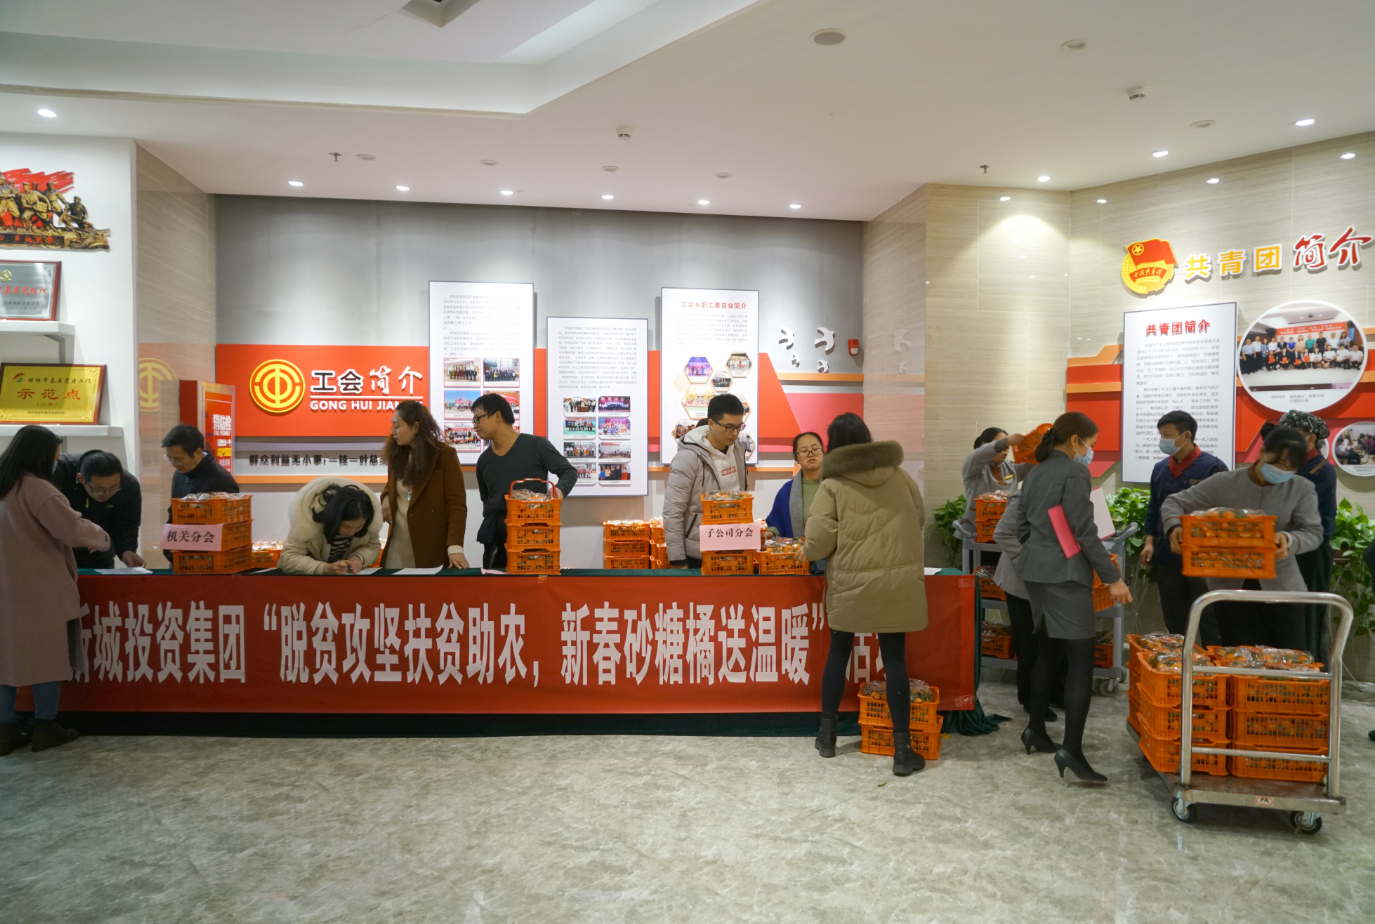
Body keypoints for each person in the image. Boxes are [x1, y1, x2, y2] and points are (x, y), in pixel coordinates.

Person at [800, 413, 927, 776]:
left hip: (851, 585)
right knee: (895, 660)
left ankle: (827, 738)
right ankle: (902, 751)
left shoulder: (832, 485)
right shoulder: (900, 476)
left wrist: (805, 552)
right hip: (897, 582)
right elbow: (919, 518)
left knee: (838, 654)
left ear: (833, 445)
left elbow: (819, 541)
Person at [1015, 411, 1131, 782]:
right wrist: (1113, 578)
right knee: (1081, 660)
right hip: (1065, 576)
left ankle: (1035, 729)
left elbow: (1022, 527)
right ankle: (1072, 750)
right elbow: (1083, 531)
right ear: (1076, 440)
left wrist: (1047, 547)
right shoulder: (1074, 473)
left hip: (1035, 571)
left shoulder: (1034, 473)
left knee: (1048, 651)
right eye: (1091, 444)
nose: (1091, 452)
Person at [0, 426, 111, 755]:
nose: (56, 461)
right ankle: (45, 726)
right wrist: (103, 538)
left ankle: (5, 730)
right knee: (47, 656)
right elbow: (69, 529)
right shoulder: (37, 489)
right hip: (39, 587)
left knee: (4, 659)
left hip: (5, 587)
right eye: (54, 455)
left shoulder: (3, 483)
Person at [1161, 426, 1322, 652]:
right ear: (1263, 452)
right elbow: (1174, 502)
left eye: (1290, 468)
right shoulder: (1224, 482)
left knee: (1289, 655)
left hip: (1281, 587)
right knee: (1237, 655)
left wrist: (1289, 540)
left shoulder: (1300, 488)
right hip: (1230, 587)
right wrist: (1174, 527)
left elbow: (1313, 532)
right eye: (1278, 464)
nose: (1282, 472)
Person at [1141, 410, 1228, 643]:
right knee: (1175, 619)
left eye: (1167, 435)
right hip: (1167, 555)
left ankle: (1212, 663)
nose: (1163, 440)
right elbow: (1154, 507)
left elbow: (1224, 513)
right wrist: (1149, 542)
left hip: (1202, 558)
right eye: (1161, 435)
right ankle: (1179, 661)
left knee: (1210, 618)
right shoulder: (1160, 468)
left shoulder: (1214, 467)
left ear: (1186, 435)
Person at [471, 393, 577, 570]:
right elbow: (486, 499)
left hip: (533, 540)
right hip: (497, 543)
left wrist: (559, 489)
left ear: (497, 416)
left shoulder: (536, 445)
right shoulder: (484, 460)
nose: (475, 425)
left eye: (478, 418)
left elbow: (568, 471)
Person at [992, 489, 1066, 719]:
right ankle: (1031, 699)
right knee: (1030, 643)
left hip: (1053, 579)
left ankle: (1054, 692)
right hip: (1022, 581)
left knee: (1055, 640)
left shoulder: (1069, 492)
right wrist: (1032, 561)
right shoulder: (1024, 495)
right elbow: (1003, 534)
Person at [1276, 411, 1338, 660]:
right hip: (1288, 551)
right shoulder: (1291, 467)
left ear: (1310, 440)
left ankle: (1314, 674)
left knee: (1309, 619)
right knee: (1287, 620)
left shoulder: (1319, 472)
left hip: (1311, 555)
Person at [664, 394, 750, 569]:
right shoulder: (688, 457)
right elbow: (673, 511)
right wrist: (678, 560)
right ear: (711, 423)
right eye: (728, 427)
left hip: (733, 546)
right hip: (699, 552)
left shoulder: (737, 450)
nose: (735, 433)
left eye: (738, 426)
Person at [381, 401, 468, 570]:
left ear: (415, 427)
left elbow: (456, 504)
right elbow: (394, 485)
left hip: (429, 545)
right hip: (398, 545)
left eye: (397, 427)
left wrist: (455, 546)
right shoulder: (396, 454)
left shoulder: (444, 455)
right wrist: (385, 496)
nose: (392, 432)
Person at [52, 449, 144, 569]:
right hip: (56, 554)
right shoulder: (58, 474)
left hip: (99, 554)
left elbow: (126, 524)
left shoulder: (129, 485)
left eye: (114, 487)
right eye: (99, 489)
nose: (106, 494)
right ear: (81, 479)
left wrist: (127, 550)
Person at [279, 476, 383, 576]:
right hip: (304, 582)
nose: (351, 532)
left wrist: (358, 558)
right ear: (335, 518)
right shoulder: (308, 519)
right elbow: (288, 558)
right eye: (346, 527)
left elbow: (373, 546)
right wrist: (325, 568)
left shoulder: (369, 518)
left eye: (359, 527)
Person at [764, 432, 824, 564]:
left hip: (830, 561)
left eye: (815, 449)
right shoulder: (787, 490)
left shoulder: (835, 486)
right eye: (804, 451)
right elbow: (777, 522)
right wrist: (770, 533)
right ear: (796, 458)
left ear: (823, 452)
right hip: (796, 561)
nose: (810, 454)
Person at [958, 427, 1030, 531]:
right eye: (1001, 444)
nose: (1005, 449)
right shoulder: (974, 465)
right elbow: (979, 454)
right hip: (975, 531)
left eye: (1007, 447)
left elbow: (1034, 464)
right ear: (984, 445)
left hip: (1004, 530)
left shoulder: (1012, 467)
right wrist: (1006, 441)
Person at [162, 424, 238, 520]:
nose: (174, 464)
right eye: (170, 459)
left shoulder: (222, 480)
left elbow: (229, 521)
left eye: (178, 459)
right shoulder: (179, 473)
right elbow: (173, 512)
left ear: (198, 453)